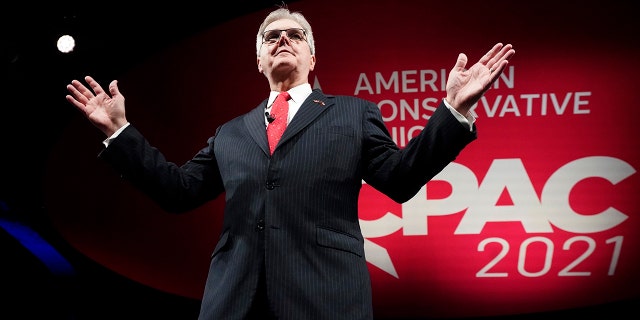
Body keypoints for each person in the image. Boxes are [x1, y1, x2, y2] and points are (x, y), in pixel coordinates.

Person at [65, 6, 515, 320]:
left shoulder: (353, 113)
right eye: (271, 37)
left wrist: (453, 111)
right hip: (233, 303)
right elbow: (178, 192)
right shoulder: (230, 133)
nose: (283, 39)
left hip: (324, 298)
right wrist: (118, 133)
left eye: (295, 35)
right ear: (259, 59)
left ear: (312, 57)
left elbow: (400, 179)